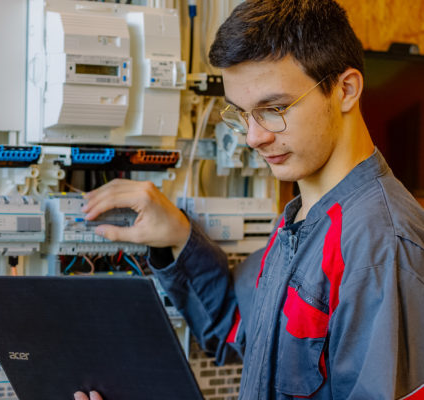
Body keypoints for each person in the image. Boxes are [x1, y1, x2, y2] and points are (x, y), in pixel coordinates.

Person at [75, 0, 424, 399]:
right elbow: (242, 329)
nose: (253, 137)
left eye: (273, 109)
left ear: (345, 90)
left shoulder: (380, 245)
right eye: (242, 113)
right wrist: (176, 237)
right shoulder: (302, 217)